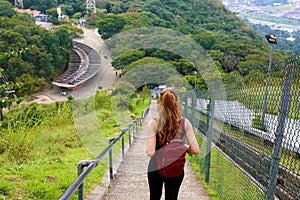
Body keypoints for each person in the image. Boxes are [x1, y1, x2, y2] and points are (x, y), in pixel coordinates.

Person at [146, 88, 200, 200]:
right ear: (177, 103)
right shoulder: (185, 123)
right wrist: (183, 147)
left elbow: (151, 153)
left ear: (160, 103)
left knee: (154, 197)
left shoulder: (154, 123)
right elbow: (195, 150)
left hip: (156, 167)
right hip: (175, 168)